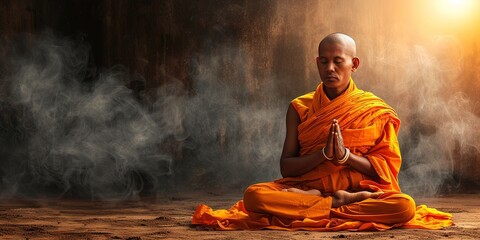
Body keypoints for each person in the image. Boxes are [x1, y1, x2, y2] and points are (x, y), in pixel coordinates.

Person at [192, 33, 453, 231]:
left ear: (354, 64)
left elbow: (386, 169)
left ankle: (321, 205)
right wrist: (323, 155)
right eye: (324, 62)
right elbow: (287, 168)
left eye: (338, 62)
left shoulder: (375, 109)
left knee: (404, 205)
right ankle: (336, 203)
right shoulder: (299, 107)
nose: (330, 69)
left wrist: (346, 157)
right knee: (253, 196)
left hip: (358, 189)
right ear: (317, 63)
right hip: (307, 187)